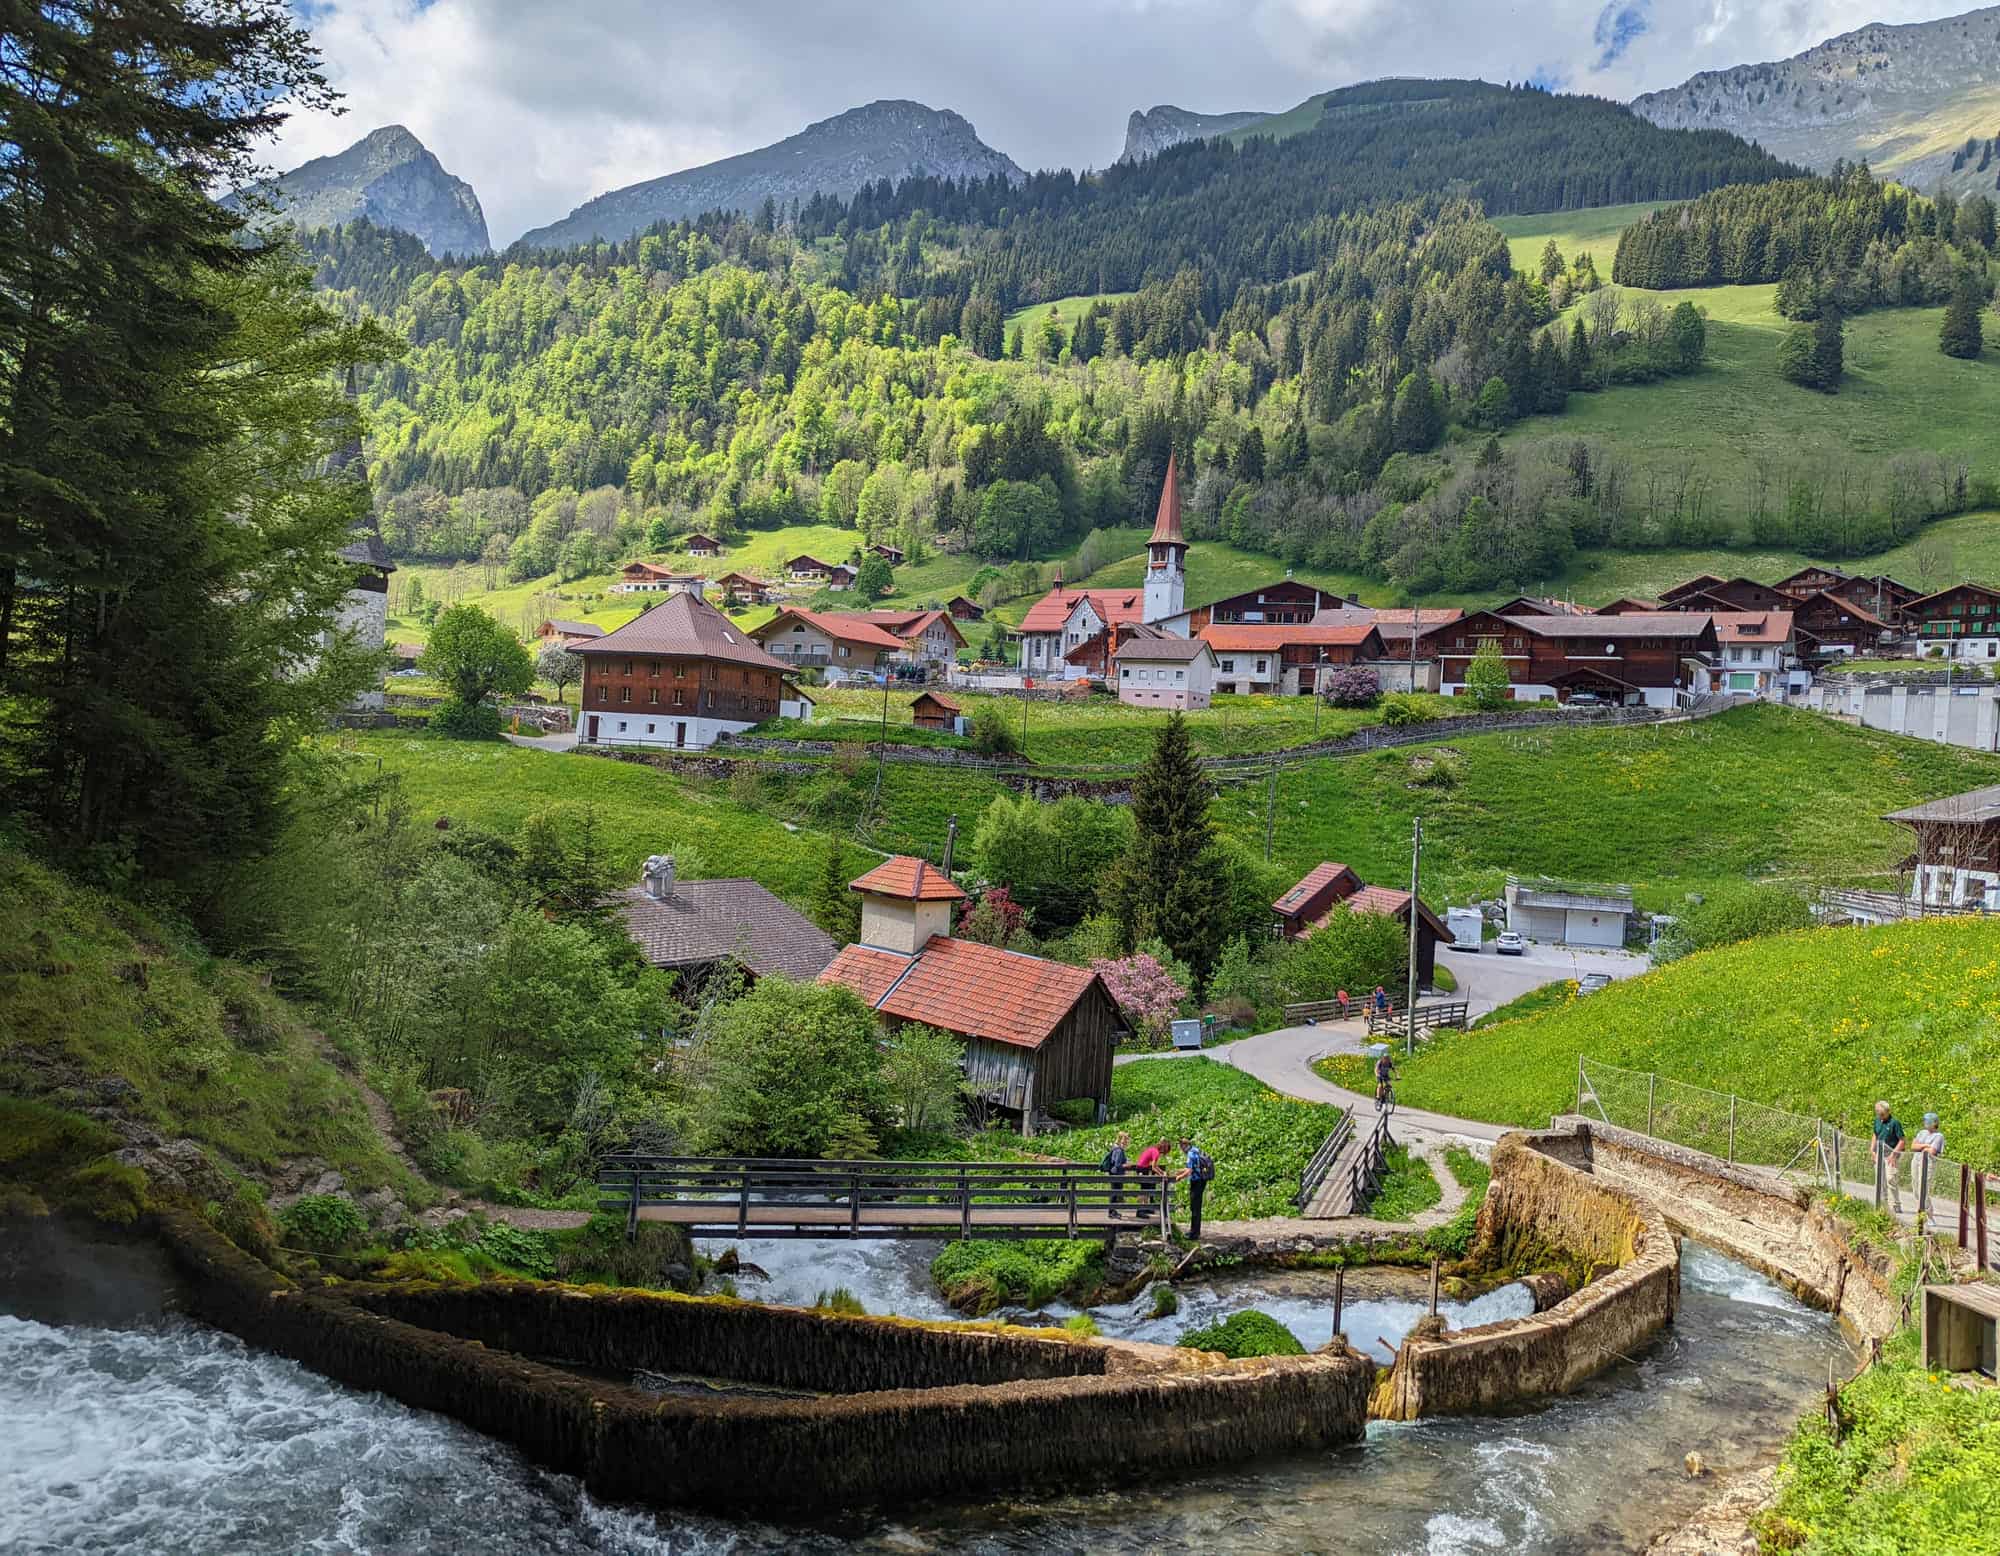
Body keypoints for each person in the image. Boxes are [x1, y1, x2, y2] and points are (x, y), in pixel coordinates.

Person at [1176, 1134, 1216, 1241]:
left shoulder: (1190, 1154)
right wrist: (1180, 1171)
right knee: (1197, 1207)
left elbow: (1190, 1171)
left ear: (1184, 1145)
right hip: (1202, 1180)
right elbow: (1193, 1167)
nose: (1181, 1149)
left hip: (1196, 1182)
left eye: (1181, 1147)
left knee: (1194, 1208)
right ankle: (1196, 1231)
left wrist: (1179, 1177)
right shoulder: (1196, 1150)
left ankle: (1193, 1234)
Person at [1871, 1101, 1906, 1212]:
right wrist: (1872, 1149)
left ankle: (1896, 1204)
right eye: (1878, 1114)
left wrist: (1894, 1154)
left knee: (1891, 1178)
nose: (1880, 1116)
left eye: (1882, 1114)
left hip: (1891, 1154)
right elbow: (1875, 1135)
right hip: (1879, 1153)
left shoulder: (1895, 1123)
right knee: (1879, 1179)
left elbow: (1902, 1141)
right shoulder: (1877, 1121)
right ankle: (1882, 1203)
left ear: (1888, 1112)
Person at [1912, 1113, 1946, 1211]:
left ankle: (1925, 1211)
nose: (1925, 1123)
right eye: (1925, 1120)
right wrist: (1925, 1146)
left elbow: (1932, 1151)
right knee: (1915, 1187)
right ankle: (1923, 1208)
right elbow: (1913, 1146)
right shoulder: (1921, 1132)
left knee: (1923, 1188)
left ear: (1934, 1123)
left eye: (1927, 1121)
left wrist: (1921, 1146)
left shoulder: (1939, 1136)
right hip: (1916, 1160)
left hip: (1927, 1163)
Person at [1103, 1130, 1130, 1218]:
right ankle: (1112, 1212)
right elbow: (1117, 1164)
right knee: (1114, 1193)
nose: (1127, 1142)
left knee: (1114, 1193)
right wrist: (1126, 1165)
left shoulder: (1115, 1148)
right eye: (1125, 1140)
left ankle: (1112, 1211)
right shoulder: (1119, 1150)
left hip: (1114, 1174)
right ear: (1121, 1140)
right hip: (1116, 1174)